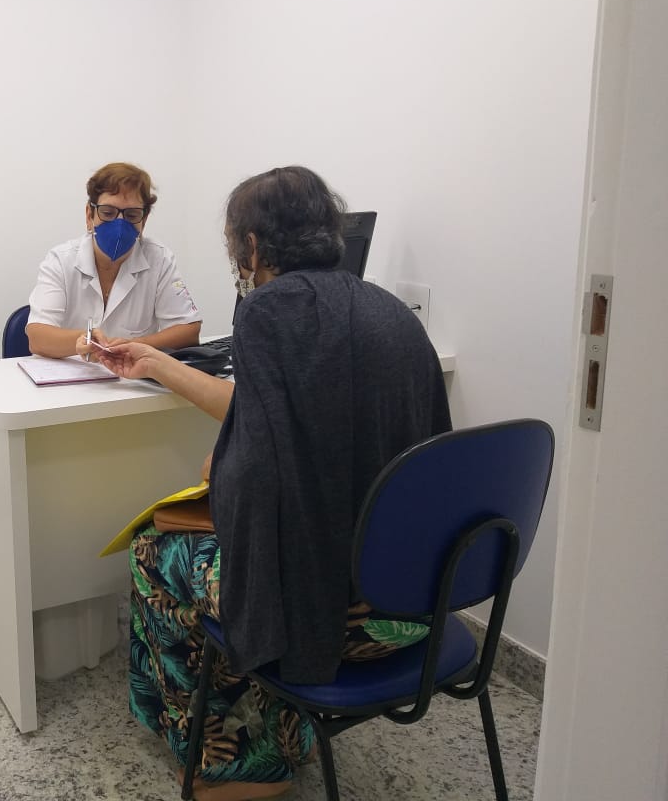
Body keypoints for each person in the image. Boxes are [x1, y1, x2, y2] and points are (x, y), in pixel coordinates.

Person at [94, 166, 452, 801]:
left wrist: (224, 465)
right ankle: (287, 733)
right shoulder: (392, 313)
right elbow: (286, 413)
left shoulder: (266, 310)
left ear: (253, 246)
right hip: (418, 602)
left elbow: (254, 484)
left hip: (331, 621)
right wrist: (157, 364)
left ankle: (238, 765)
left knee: (156, 548)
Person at [26, 162, 202, 359]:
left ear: (143, 221)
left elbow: (188, 331)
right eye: (108, 213)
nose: (119, 225)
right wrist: (84, 340)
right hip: (70, 373)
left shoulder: (159, 259)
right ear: (89, 215)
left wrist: (133, 347)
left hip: (134, 373)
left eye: (132, 215)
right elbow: (37, 337)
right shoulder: (60, 260)